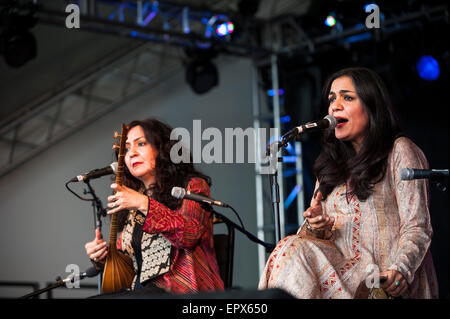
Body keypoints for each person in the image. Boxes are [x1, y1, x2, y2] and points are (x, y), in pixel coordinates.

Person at [258, 67, 439, 299]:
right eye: (332, 98)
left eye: (347, 97)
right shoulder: (329, 166)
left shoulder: (399, 150)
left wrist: (401, 269)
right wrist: (315, 227)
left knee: (290, 248)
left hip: (384, 279)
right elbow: (307, 245)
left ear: (372, 105)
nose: (335, 105)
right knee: (288, 247)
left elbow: (417, 226)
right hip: (343, 278)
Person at [85, 118, 224, 294]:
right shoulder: (133, 198)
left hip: (181, 292)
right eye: (126, 149)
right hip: (141, 292)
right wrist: (103, 256)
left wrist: (145, 204)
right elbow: (128, 262)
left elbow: (189, 235)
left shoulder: (192, 186)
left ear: (164, 148)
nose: (131, 153)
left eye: (140, 144)